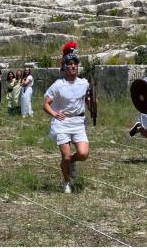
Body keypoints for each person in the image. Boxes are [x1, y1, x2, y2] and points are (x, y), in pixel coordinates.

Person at [43, 41, 91, 194]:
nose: (73, 66)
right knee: (66, 156)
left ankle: (71, 162)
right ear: (64, 67)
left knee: (83, 154)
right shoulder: (58, 85)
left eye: (75, 64)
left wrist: (92, 105)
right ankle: (66, 182)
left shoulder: (84, 83)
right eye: (69, 64)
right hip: (62, 123)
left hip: (78, 121)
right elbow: (46, 104)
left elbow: (88, 100)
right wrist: (54, 113)